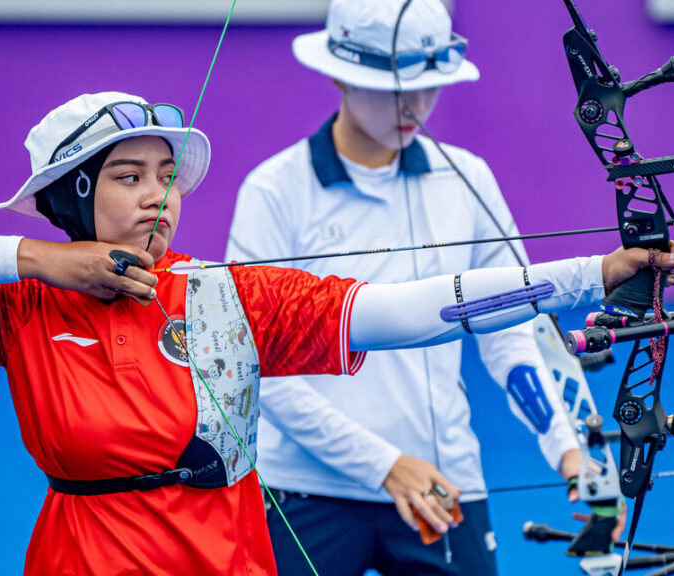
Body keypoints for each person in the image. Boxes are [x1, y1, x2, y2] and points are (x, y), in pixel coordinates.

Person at [0, 91, 674, 576]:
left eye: (166, 178)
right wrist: (37, 261)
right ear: (69, 199)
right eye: (128, 178)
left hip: (229, 561)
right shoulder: (18, 308)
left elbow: (408, 309)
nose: (158, 199)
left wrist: (593, 274)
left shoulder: (220, 297)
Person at [226, 1, 634, 574]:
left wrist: (571, 452)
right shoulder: (273, 190)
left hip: (444, 482)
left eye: (429, 86)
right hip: (305, 486)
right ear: (341, 74)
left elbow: (516, 328)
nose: (415, 106)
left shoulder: (468, 178)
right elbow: (251, 363)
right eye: (393, 89)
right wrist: (384, 464)